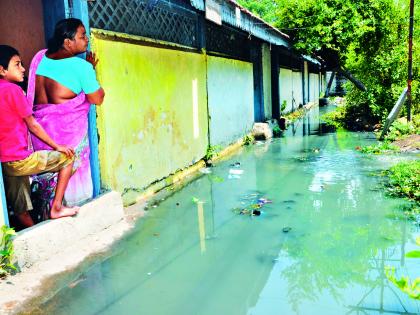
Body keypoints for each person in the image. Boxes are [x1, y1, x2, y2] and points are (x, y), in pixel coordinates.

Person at [27, 18, 105, 211]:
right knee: (75, 196)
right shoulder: (81, 67)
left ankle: (47, 211)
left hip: (40, 138)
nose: (87, 39)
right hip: (67, 140)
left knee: (45, 187)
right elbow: (97, 98)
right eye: (82, 36)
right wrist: (90, 72)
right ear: (68, 42)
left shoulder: (39, 58)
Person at [0, 45, 78, 228]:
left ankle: (34, 232)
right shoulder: (13, 90)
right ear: (1, 70)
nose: (23, 69)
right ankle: (56, 207)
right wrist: (57, 146)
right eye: (17, 64)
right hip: (21, 159)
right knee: (68, 158)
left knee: (20, 209)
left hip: (6, 163)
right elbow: (33, 124)